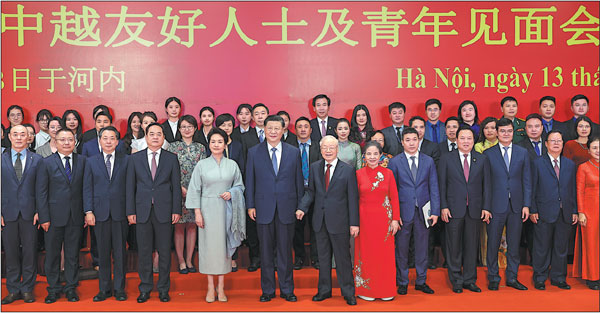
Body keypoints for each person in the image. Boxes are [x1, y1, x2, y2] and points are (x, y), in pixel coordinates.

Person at [245, 115, 304, 302]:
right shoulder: (254, 152)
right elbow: (250, 181)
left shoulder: (293, 152)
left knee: (286, 251)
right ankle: (268, 290)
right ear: (264, 129)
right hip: (263, 208)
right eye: (269, 128)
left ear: (283, 130)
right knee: (266, 251)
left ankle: (287, 290)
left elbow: (298, 182)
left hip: (287, 207)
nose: (273, 132)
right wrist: (250, 205)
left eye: (276, 128)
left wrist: (300, 206)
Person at [185, 128, 246, 303]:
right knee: (209, 248)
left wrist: (231, 192)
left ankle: (222, 287)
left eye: (220, 141)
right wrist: (197, 213)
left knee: (223, 249)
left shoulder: (232, 164)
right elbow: (194, 189)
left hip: (226, 210)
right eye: (213, 142)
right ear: (209, 144)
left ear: (226, 143)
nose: (216, 145)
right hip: (207, 209)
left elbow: (240, 186)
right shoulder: (201, 165)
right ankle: (210, 287)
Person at [299, 135, 359, 305]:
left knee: (343, 259)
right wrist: (301, 208)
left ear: (337, 150)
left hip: (340, 221)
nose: (327, 150)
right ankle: (324, 291)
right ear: (320, 149)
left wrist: (354, 223)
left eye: (331, 147)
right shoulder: (315, 167)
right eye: (324, 147)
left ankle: (348, 292)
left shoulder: (347, 170)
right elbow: (310, 192)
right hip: (319, 221)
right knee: (323, 259)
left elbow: (353, 198)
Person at [126, 122, 182, 303]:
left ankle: (164, 289)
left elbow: (175, 186)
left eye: (159, 134)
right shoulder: (135, 159)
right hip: (142, 211)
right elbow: (130, 188)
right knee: (144, 252)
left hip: (164, 211)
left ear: (163, 137)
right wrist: (130, 211)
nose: (155, 137)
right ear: (146, 136)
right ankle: (145, 288)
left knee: (164, 252)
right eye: (152, 134)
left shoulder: (171, 158)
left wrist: (176, 210)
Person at [438, 126, 492, 293]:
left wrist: (486, 207)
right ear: (456, 140)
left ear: (473, 140)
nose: (466, 141)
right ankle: (456, 280)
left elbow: (487, 186)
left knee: (471, 246)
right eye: (462, 138)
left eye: (469, 138)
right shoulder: (446, 159)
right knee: (453, 246)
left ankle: (470, 280)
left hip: (475, 209)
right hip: (453, 209)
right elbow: (441, 185)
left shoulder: (482, 159)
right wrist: (443, 206)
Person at [36, 128, 87, 303]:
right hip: (53, 217)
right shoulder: (46, 163)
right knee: (52, 255)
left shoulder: (83, 161)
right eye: (63, 140)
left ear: (75, 142)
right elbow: (41, 192)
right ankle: (53, 289)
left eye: (70, 140)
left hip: (75, 216)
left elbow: (86, 190)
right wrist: (44, 217)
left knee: (73, 255)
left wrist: (86, 213)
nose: (67, 143)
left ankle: (71, 287)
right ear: (56, 142)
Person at [388, 127, 440, 295]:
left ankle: (421, 280)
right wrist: (394, 215)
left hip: (423, 211)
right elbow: (391, 190)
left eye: (414, 139)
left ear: (419, 141)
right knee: (401, 248)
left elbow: (434, 186)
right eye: (408, 140)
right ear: (402, 142)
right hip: (403, 211)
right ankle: (402, 281)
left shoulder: (428, 161)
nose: (411, 143)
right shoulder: (395, 162)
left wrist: (435, 210)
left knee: (422, 247)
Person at [484, 118, 531, 291]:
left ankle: (512, 277)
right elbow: (486, 184)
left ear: (513, 132)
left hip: (517, 206)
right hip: (495, 205)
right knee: (493, 244)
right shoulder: (488, 154)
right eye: (502, 131)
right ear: (496, 132)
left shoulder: (522, 152)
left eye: (509, 131)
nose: (506, 134)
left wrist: (526, 204)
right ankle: (493, 277)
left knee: (514, 243)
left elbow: (527, 180)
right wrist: (486, 207)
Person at [82, 126, 129, 302]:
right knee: (102, 254)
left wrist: (130, 211)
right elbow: (87, 188)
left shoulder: (126, 161)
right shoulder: (91, 161)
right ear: (100, 141)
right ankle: (104, 289)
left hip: (120, 213)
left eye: (112, 138)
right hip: (99, 213)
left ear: (117, 141)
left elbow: (130, 188)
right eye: (105, 138)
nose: (108, 141)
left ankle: (119, 288)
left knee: (120, 253)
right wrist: (88, 211)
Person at [529, 130, 578, 290]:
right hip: (543, 211)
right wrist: (533, 209)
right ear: (546, 143)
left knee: (561, 247)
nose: (556, 144)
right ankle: (540, 277)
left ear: (563, 144)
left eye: (559, 141)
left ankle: (558, 277)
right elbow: (532, 187)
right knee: (541, 247)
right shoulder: (537, 162)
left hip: (565, 212)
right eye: (553, 141)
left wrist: (574, 211)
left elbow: (573, 189)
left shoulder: (570, 164)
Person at [1, 125, 43, 304]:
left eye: (23, 135)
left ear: (29, 138)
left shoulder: (37, 160)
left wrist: (40, 211)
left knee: (29, 252)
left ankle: (27, 288)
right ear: (9, 137)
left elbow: (41, 190)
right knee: (10, 253)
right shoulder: (1, 159)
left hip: (30, 213)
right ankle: (12, 289)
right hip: (7, 213)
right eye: (15, 134)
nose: (19, 138)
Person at [354, 141, 400, 301]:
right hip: (364, 220)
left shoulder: (388, 174)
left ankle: (385, 289)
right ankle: (366, 290)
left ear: (381, 156)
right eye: (369, 154)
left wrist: (395, 219)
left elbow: (394, 197)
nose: (372, 157)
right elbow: (354, 199)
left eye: (375, 154)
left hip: (384, 220)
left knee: (384, 255)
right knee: (366, 254)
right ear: (364, 156)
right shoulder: (358, 174)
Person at [167, 115, 207, 274]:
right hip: (178, 191)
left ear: (195, 128)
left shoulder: (201, 148)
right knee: (179, 226)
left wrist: (195, 190)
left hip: (197, 191)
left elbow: (204, 170)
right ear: (179, 129)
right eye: (183, 127)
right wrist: (180, 188)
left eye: (190, 126)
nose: (187, 129)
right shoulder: (172, 147)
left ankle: (190, 260)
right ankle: (181, 261)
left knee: (192, 226)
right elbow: (169, 170)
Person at [240, 103, 270, 272]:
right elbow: (244, 163)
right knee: (252, 224)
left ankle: (270, 257)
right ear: (252, 117)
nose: (259, 116)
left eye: (262, 113)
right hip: (252, 186)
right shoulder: (245, 137)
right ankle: (255, 257)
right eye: (256, 114)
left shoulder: (273, 135)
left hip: (270, 188)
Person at [215, 113, 246, 271]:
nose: (226, 128)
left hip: (233, 191)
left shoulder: (238, 145)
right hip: (216, 193)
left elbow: (241, 168)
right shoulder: (213, 144)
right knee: (219, 227)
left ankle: (233, 258)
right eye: (223, 125)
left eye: (229, 125)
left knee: (232, 226)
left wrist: (234, 189)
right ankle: (220, 258)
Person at [292, 117, 321, 270]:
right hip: (296, 192)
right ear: (295, 130)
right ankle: (299, 258)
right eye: (299, 127)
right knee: (297, 227)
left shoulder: (318, 146)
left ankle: (316, 258)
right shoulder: (289, 147)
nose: (303, 129)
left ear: (311, 130)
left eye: (306, 127)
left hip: (316, 192)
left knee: (316, 226)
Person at [573, 136, 599, 290]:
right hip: (590, 210)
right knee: (591, 244)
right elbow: (579, 191)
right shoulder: (584, 167)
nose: (598, 151)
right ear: (589, 150)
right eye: (594, 148)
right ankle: (593, 277)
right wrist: (581, 212)